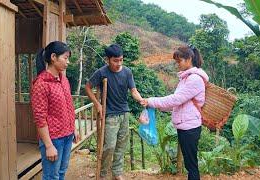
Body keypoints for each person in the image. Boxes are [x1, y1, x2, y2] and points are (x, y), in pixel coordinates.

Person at [141, 45, 208, 180]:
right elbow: (178, 103)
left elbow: (175, 99)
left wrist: (151, 101)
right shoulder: (186, 78)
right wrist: (155, 105)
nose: (177, 64)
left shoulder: (194, 79)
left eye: (179, 61)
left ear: (189, 59)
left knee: (191, 165)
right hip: (185, 125)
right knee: (190, 163)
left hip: (190, 127)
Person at [85, 44, 144, 180]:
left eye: (121, 60)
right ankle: (103, 174)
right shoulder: (101, 72)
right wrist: (97, 104)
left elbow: (133, 91)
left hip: (124, 113)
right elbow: (88, 87)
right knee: (110, 146)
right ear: (108, 59)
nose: (118, 64)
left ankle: (117, 172)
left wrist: (141, 100)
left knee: (121, 146)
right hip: (109, 115)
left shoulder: (127, 72)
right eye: (115, 61)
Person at [31, 41, 80, 180]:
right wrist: (48, 145)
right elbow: (40, 118)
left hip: (67, 135)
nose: (68, 62)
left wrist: (73, 128)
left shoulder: (64, 79)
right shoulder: (41, 84)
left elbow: (69, 106)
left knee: (62, 171)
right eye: (65, 58)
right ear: (53, 57)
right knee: (51, 176)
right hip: (54, 139)